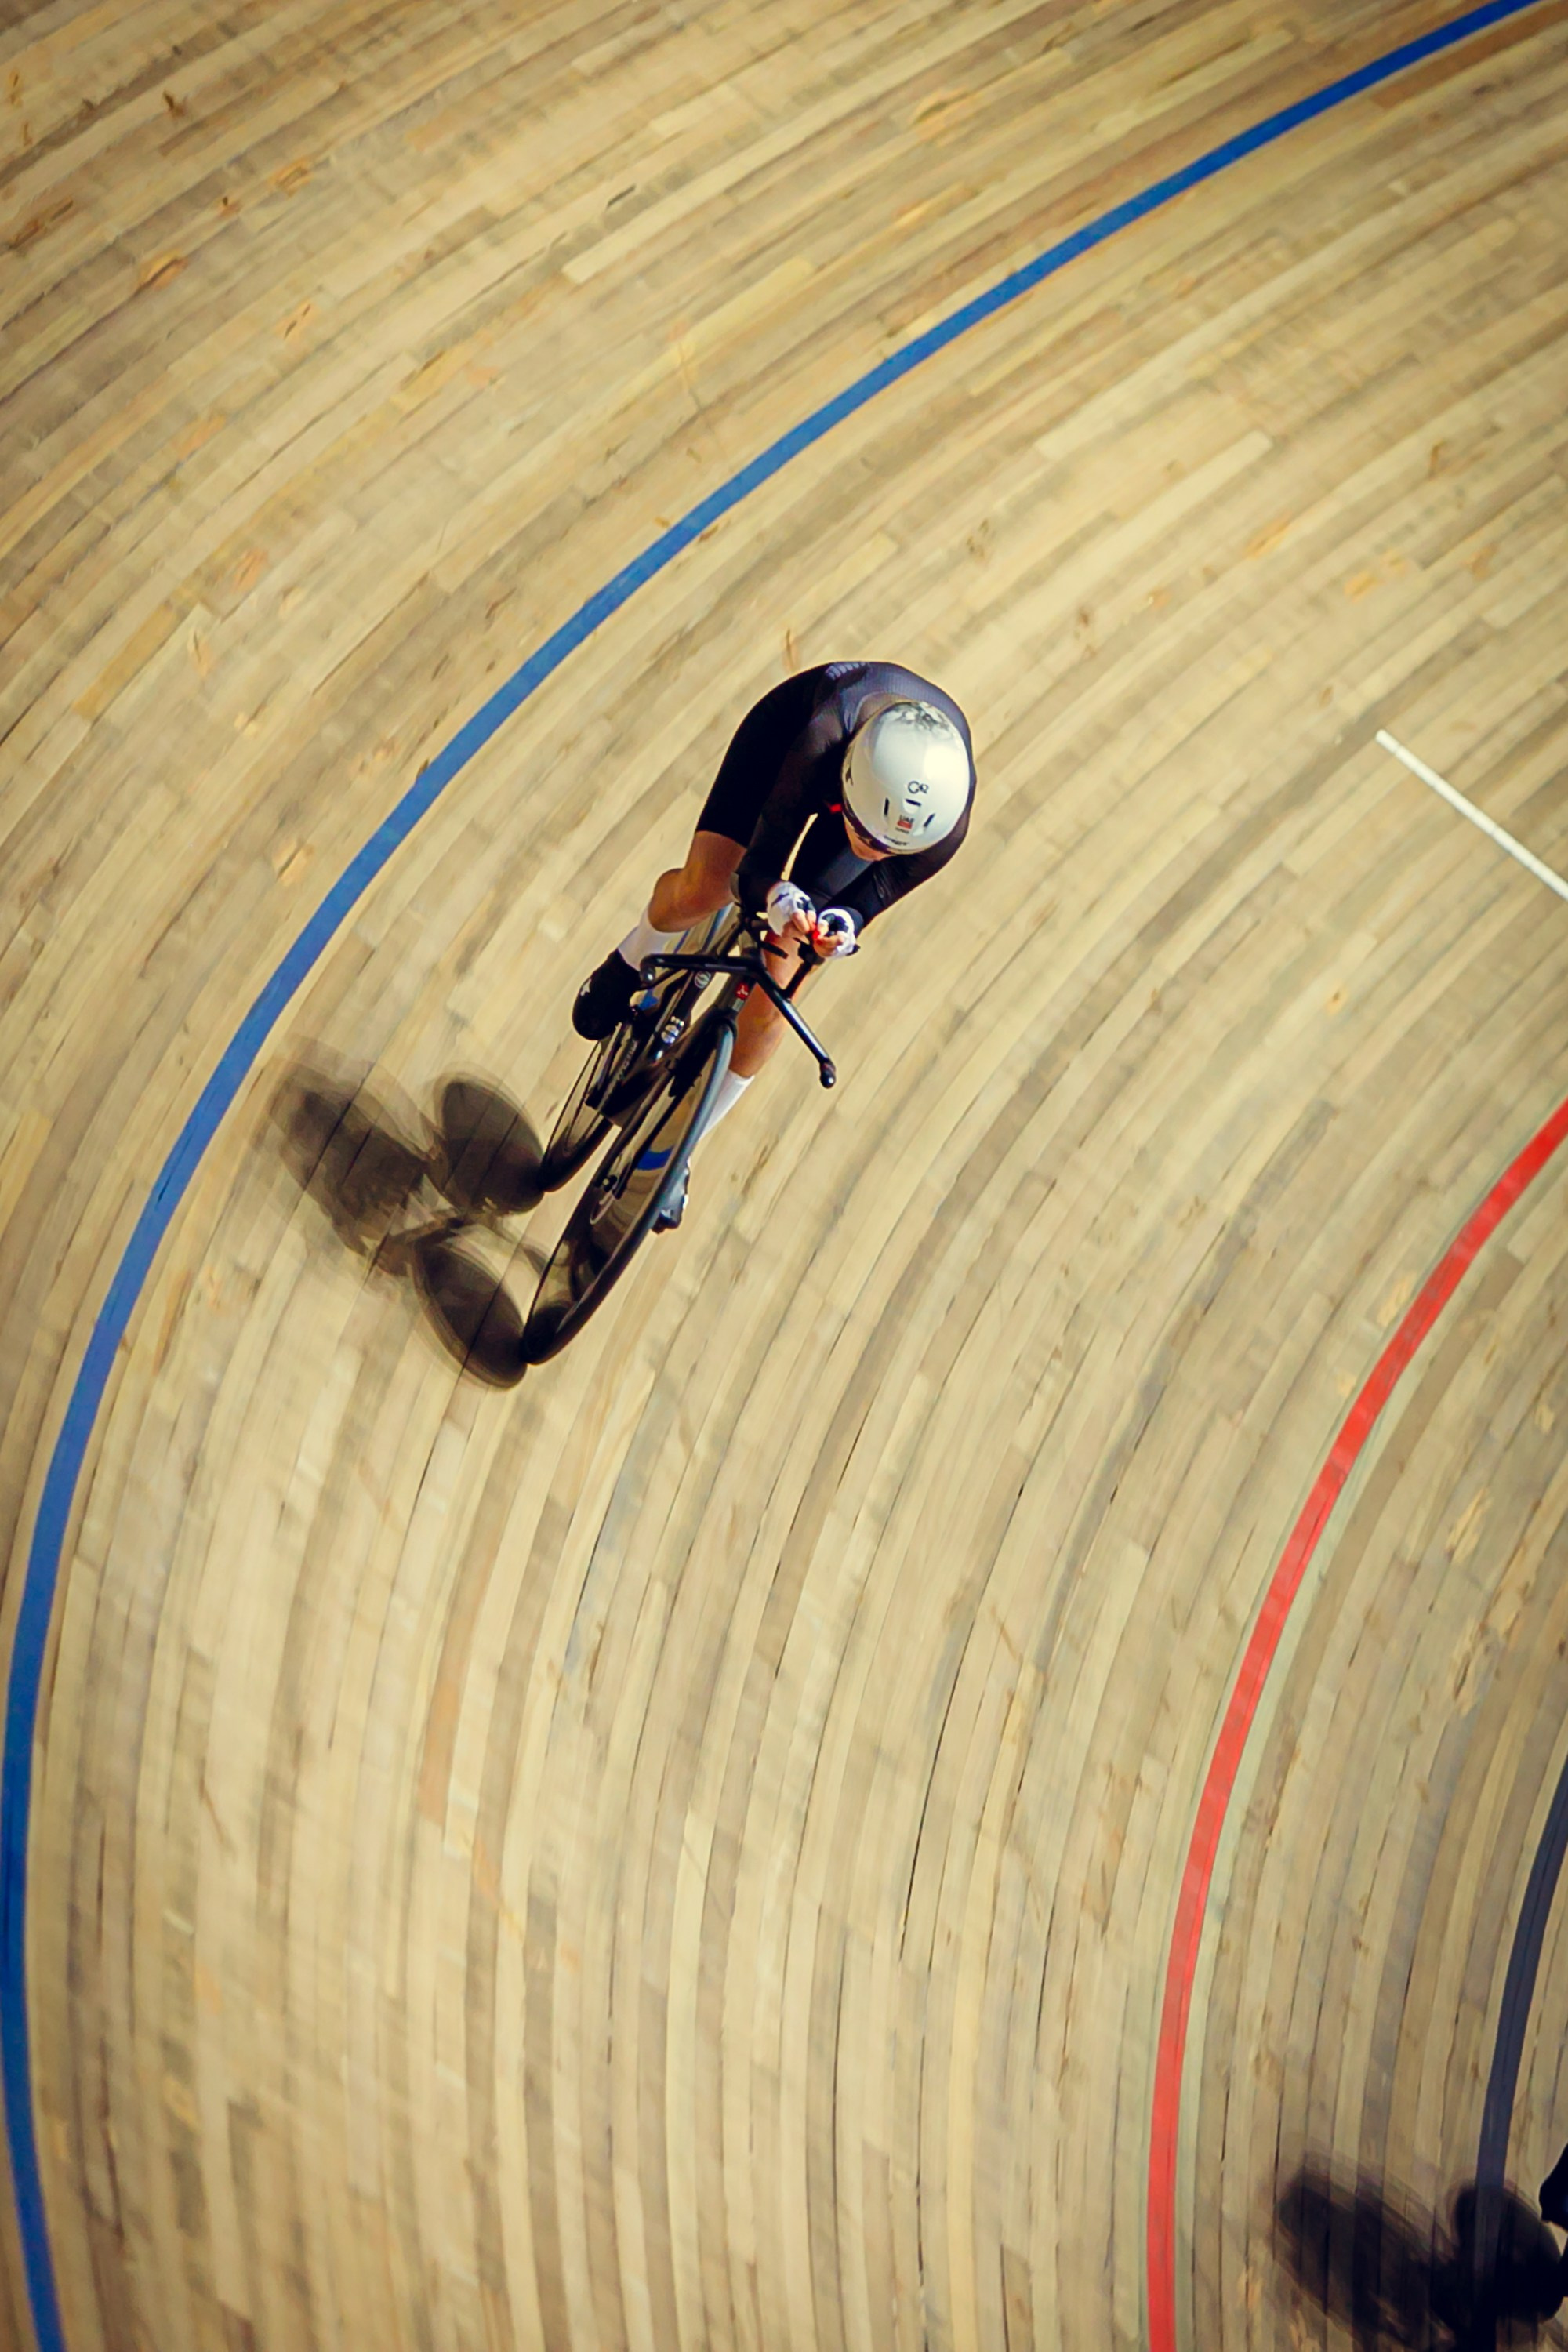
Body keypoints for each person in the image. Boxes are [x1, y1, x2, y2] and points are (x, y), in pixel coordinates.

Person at [571, 659, 975, 1228]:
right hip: (787, 739)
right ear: (851, 790)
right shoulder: (822, 741)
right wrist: (775, 892)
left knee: (779, 982)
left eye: (887, 847)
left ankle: (683, 1147)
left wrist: (842, 926)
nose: (870, 850)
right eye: (863, 833)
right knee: (707, 887)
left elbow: (871, 896)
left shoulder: (941, 830)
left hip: (861, 794)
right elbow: (756, 867)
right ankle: (630, 958)